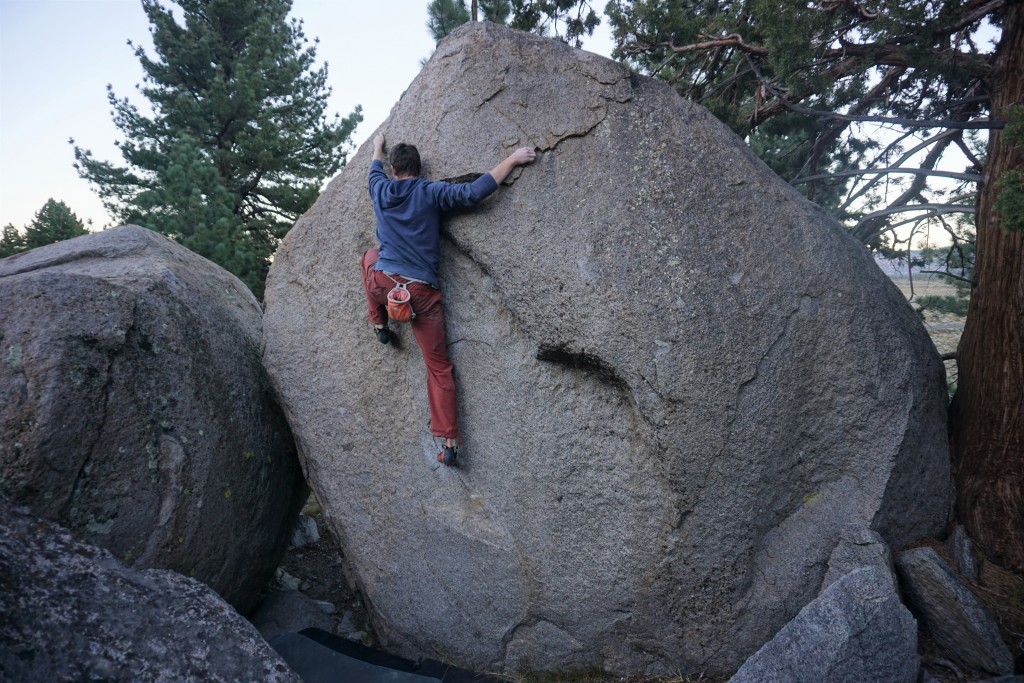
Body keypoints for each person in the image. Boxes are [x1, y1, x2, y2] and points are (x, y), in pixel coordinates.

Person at [361, 132, 536, 467]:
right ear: (419, 169)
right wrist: (512, 159)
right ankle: (450, 442)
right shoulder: (430, 192)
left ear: (394, 169)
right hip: (421, 295)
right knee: (439, 369)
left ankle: (379, 322)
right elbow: (474, 192)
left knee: (369, 258)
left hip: (385, 284)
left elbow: (373, 167)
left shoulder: (379, 188)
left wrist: (376, 148)